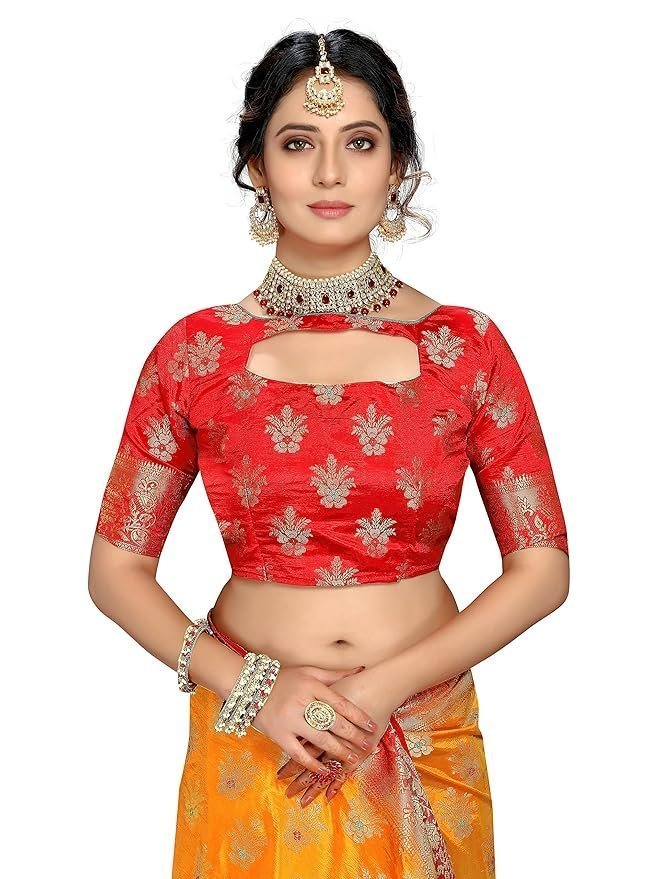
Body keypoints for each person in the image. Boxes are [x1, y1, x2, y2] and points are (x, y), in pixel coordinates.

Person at [88, 29, 570, 879]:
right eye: (297, 143)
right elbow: (115, 569)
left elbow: (542, 568)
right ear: (256, 166)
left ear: (397, 165)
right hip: (255, 744)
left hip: (420, 728)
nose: (328, 173)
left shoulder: (466, 347)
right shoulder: (194, 352)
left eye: (359, 142)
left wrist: (380, 690)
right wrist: (254, 689)